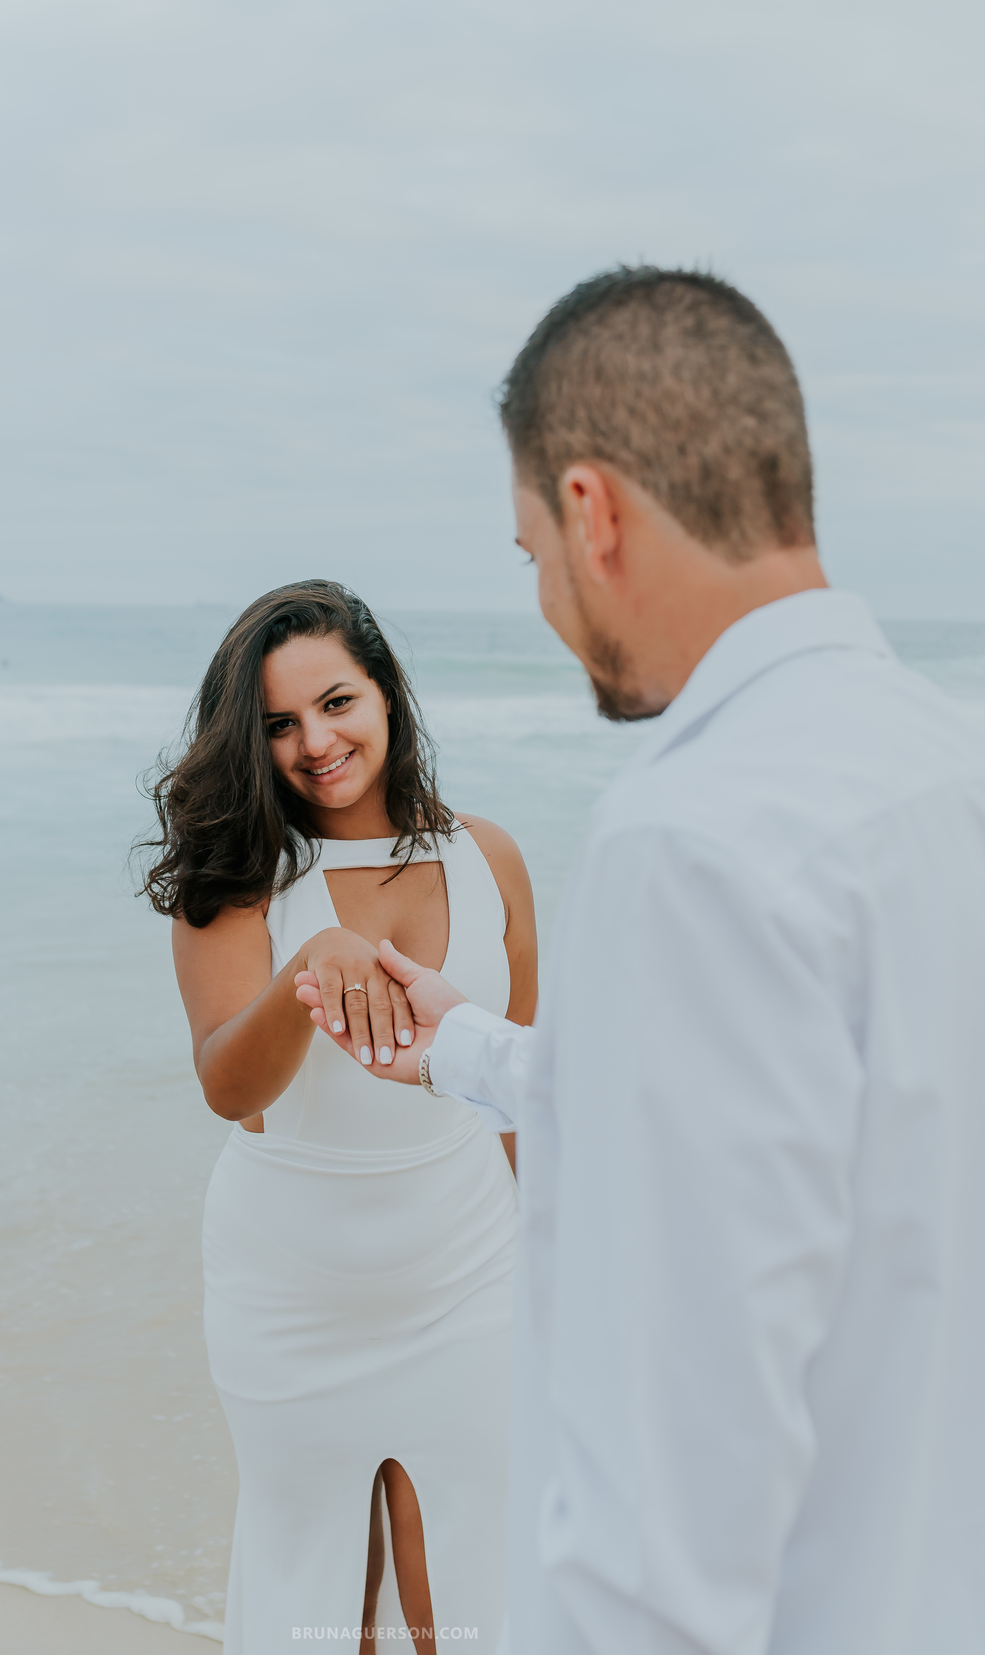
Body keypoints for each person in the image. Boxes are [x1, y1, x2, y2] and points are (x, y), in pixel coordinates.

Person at [298, 268, 985, 1654]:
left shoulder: (692, 836)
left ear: (592, 510)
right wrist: (472, 1047)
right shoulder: (945, 768)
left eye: (528, 551)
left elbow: (666, 1488)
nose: (546, 600)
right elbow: (809, 1124)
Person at [141, 580, 536, 1649]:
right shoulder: (237, 878)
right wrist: (307, 964)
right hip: (291, 1291)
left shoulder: (490, 858)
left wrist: (562, 1259)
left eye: (337, 702)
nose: (316, 741)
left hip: (469, 1273)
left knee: (464, 1576)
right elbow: (230, 1085)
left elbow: (515, 1088)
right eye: (279, 724)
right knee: (331, 1590)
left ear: (386, 697)